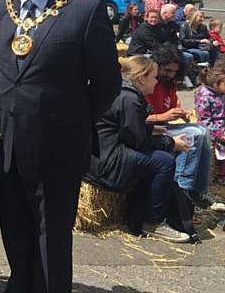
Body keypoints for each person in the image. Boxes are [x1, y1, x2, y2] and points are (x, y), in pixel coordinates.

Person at [0, 0, 121, 292]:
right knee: (15, 229)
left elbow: (108, 83)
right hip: (9, 147)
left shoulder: (84, 9)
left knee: (53, 237)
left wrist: (71, 122)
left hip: (59, 148)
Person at [86, 55, 191, 243]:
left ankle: (144, 212)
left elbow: (125, 128)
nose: (157, 81)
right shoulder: (129, 98)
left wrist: (149, 127)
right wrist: (171, 143)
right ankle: (154, 222)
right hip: (107, 161)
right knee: (164, 162)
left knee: (158, 156)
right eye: (154, 77)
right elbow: (136, 142)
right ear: (141, 78)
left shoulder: (120, 90)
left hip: (97, 154)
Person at [144, 45, 224, 211]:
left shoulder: (169, 82)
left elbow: (171, 107)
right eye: (167, 70)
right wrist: (164, 116)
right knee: (193, 135)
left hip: (161, 125)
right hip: (149, 129)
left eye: (174, 71)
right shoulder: (148, 83)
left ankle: (198, 191)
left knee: (203, 131)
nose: (170, 75)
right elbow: (138, 119)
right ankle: (182, 190)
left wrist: (180, 113)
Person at [195, 68, 225, 186]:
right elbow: (204, 121)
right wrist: (219, 135)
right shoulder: (204, 96)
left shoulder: (221, 94)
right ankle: (219, 175)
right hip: (213, 131)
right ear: (215, 84)